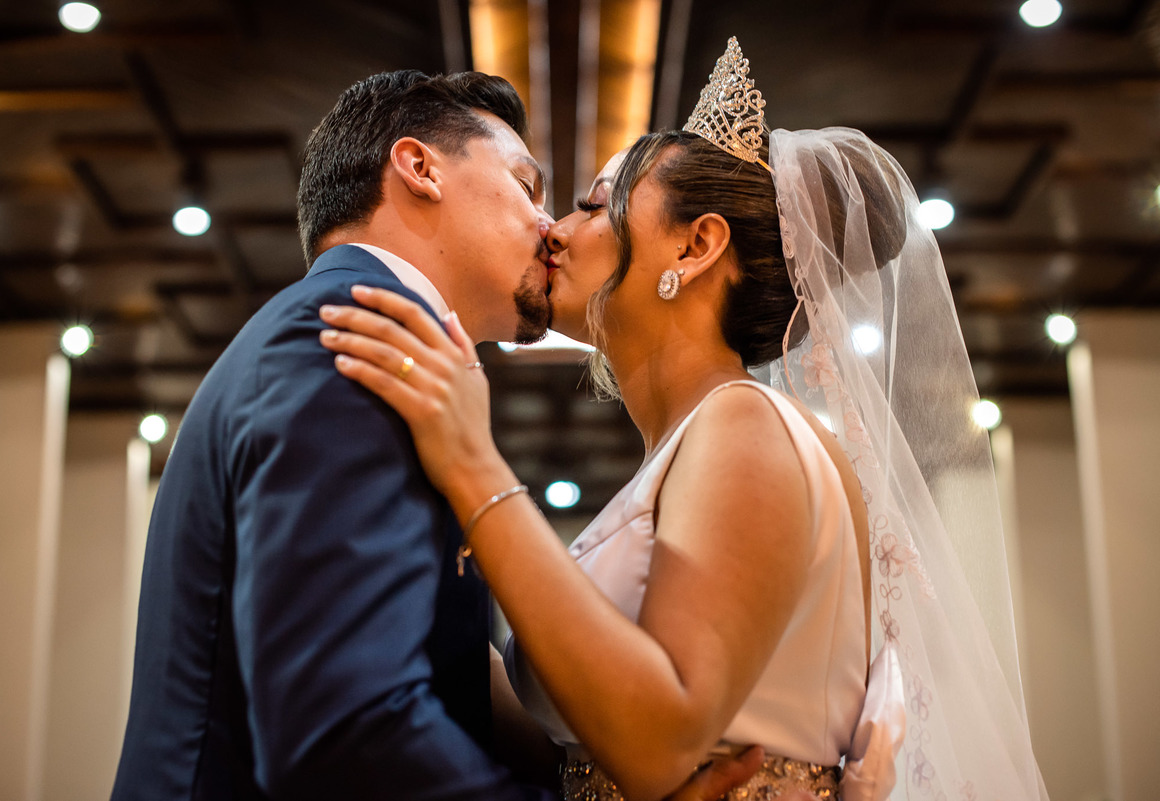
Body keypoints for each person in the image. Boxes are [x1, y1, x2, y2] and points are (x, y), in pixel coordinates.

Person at [319, 39, 1050, 801]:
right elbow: (574, 740)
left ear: (695, 246)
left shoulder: (746, 425)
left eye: (593, 206)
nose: (553, 230)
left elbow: (657, 741)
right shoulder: (697, 440)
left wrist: (472, 463)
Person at [110, 69, 761, 801]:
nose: (548, 226)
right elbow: (347, 733)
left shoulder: (389, 353)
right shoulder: (350, 343)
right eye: (527, 185)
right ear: (420, 168)